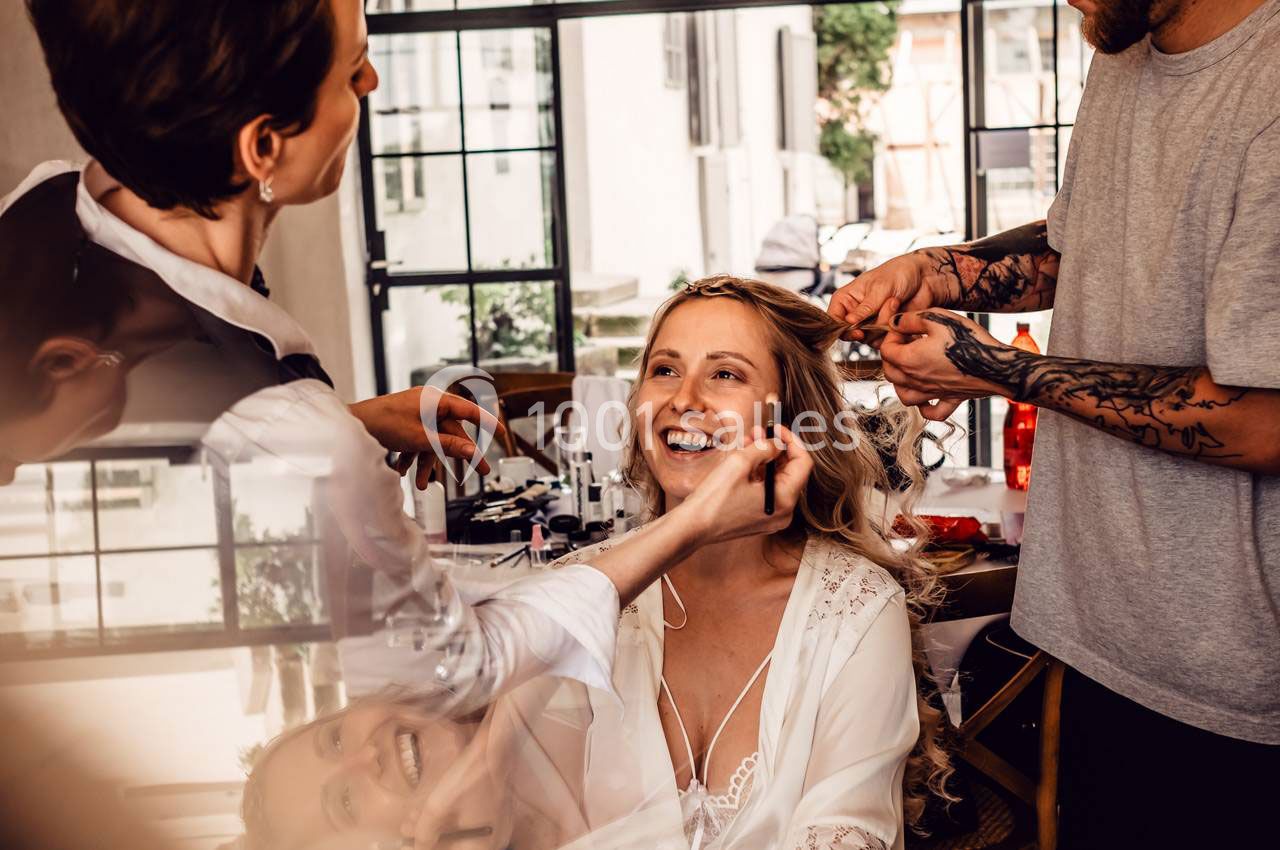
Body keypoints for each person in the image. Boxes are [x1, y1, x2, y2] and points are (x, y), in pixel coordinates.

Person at [9, 0, 812, 717]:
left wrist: (346, 427)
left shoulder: (40, 207)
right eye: (352, 64)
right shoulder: (294, 438)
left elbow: (121, 469)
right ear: (263, 147)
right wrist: (701, 521)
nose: (374, 81)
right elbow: (456, 668)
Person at [827, 1, 1280, 845]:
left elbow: (1261, 421)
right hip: (1095, 631)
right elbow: (1086, 248)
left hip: (1235, 678)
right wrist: (939, 270)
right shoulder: (1125, 43)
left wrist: (996, 369)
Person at [537, 277, 950, 850]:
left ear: (794, 417)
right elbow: (527, 818)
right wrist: (696, 522)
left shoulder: (853, 607)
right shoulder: (581, 594)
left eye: (725, 373)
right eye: (664, 370)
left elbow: (849, 830)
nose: (685, 399)